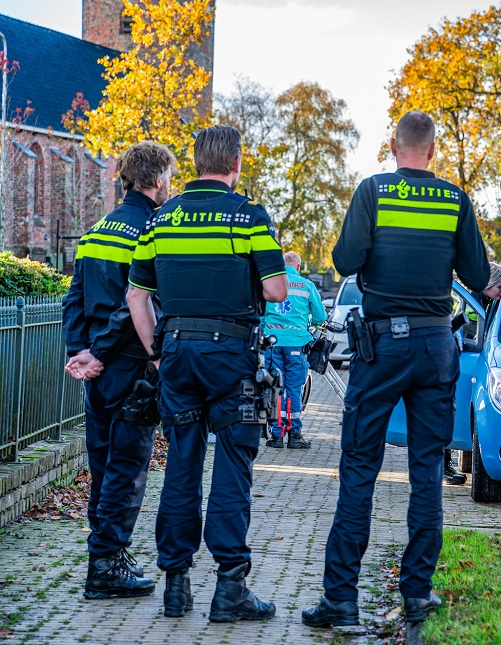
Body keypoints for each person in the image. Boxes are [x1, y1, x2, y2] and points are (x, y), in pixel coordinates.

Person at [302, 111, 489, 636]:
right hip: (435, 345)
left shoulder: (373, 191)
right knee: (427, 472)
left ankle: (340, 600)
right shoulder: (455, 200)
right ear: (433, 151)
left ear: (393, 146)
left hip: (381, 346)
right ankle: (417, 593)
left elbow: (344, 260)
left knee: (359, 469)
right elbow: (476, 274)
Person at [126, 125, 289, 622]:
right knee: (233, 468)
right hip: (231, 357)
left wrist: (156, 352)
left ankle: (176, 586)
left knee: (181, 464)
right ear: (235, 163)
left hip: (176, 353)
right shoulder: (248, 216)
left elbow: (136, 294)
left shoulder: (160, 220)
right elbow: (279, 290)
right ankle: (230, 588)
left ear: (195, 163)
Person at [63, 141, 177, 600]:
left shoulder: (94, 232)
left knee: (102, 465)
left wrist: (81, 352)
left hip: (97, 373)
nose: (171, 184)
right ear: (156, 179)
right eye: (169, 176)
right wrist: (102, 352)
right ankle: (106, 566)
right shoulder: (152, 230)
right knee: (126, 471)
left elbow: (74, 299)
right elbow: (137, 305)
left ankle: (108, 555)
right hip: (129, 367)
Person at [443, 261, 501, 485]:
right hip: (457, 360)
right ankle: (443, 466)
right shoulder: (473, 303)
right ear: (487, 285)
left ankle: (446, 463)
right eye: (500, 286)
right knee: (447, 411)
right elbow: (469, 333)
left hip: (458, 359)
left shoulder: (483, 299)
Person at [261, 251, 326, 449]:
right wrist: (312, 322)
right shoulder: (307, 286)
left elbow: (260, 314)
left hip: (272, 343)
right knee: (294, 389)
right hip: (297, 343)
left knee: (275, 388)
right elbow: (320, 316)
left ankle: (277, 436)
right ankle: (294, 434)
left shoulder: (270, 283)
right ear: (298, 267)